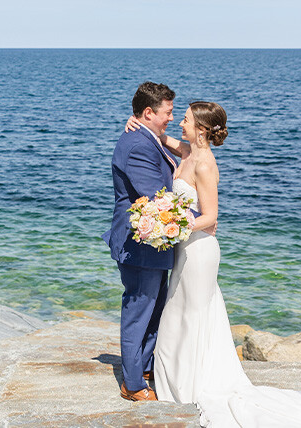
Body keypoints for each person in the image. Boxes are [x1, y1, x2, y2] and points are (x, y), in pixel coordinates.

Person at [125, 102, 301, 427]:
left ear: (202, 129)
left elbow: (211, 217)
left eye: (186, 119)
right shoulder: (188, 151)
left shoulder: (205, 164)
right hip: (184, 250)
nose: (180, 122)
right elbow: (162, 138)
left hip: (200, 251)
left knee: (193, 313)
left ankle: (196, 384)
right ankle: (177, 377)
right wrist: (138, 122)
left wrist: (169, 223)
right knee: (177, 311)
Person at [103, 81, 180, 401]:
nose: (171, 118)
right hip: (140, 242)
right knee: (139, 309)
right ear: (148, 112)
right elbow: (156, 198)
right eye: (167, 112)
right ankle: (132, 384)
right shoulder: (138, 145)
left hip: (152, 244)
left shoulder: (149, 137)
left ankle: (145, 365)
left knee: (154, 307)